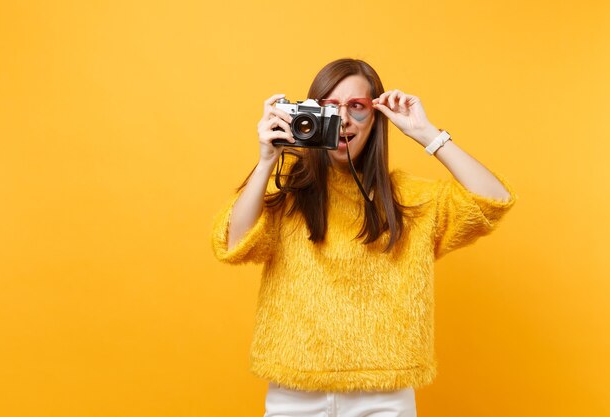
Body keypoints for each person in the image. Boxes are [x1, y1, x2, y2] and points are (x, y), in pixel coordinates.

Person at [212, 58, 517, 417]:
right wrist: (266, 161)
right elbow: (235, 244)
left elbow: (493, 202)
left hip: (383, 394)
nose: (342, 120)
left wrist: (427, 133)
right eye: (328, 108)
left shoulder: (411, 199)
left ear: (376, 118)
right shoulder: (287, 192)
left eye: (356, 107)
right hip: (295, 391)